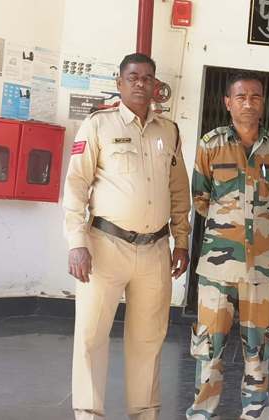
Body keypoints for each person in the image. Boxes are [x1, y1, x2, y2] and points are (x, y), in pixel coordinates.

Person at [63, 52, 192, 420]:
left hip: (155, 250)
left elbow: (179, 190)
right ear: (119, 83)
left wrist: (181, 240)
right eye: (133, 77)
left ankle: (144, 413)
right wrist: (77, 242)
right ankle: (88, 413)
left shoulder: (169, 131)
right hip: (105, 246)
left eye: (147, 78)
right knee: (91, 336)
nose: (140, 83)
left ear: (155, 86)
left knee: (149, 339)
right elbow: (76, 186)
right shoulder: (98, 125)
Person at [186, 71, 269, 420]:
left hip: (264, 267)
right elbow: (200, 198)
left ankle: (255, 414)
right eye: (241, 97)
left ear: (263, 102)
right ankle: (202, 414)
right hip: (217, 269)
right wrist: (229, 223)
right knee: (209, 347)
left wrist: (258, 229)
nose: (248, 103)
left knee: (258, 350)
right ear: (227, 102)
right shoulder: (210, 144)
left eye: (255, 97)